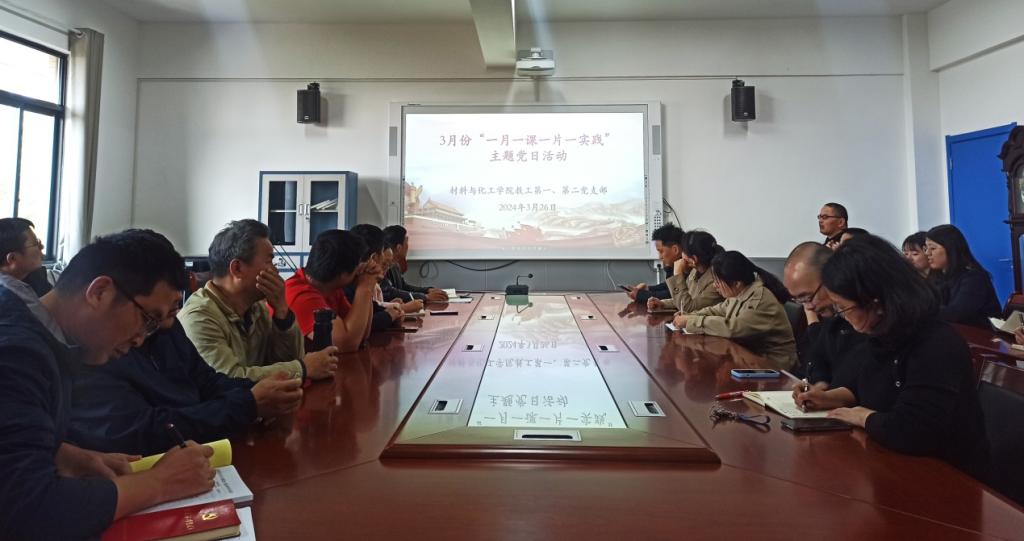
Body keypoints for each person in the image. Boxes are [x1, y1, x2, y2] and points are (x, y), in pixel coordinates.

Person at [0, 229, 217, 539]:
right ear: (99, 292)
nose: (141, 339)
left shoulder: (44, 337)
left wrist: (60, 453)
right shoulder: (17, 353)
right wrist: (161, 482)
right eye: (148, 319)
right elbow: (29, 512)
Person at [795, 234, 989, 481]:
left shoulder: (936, 344)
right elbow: (866, 383)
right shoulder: (883, 333)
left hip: (948, 481)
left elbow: (912, 431)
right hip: (896, 469)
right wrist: (828, 398)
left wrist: (862, 416)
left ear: (875, 302)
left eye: (844, 308)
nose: (842, 316)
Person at [70, 276, 304, 456]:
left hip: (198, 451)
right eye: (151, 317)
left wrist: (260, 393)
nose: (169, 318)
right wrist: (248, 404)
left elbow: (206, 380)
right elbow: (144, 431)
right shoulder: (99, 348)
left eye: (174, 306)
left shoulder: (166, 326)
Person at [179, 219, 339, 381]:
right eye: (269, 261)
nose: (275, 270)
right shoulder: (199, 318)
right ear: (237, 269)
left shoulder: (256, 308)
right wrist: (303, 369)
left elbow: (286, 361)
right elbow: (228, 381)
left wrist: (282, 313)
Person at [672, 251, 797, 370]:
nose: (715, 286)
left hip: (773, 366)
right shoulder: (739, 293)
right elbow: (716, 310)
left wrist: (691, 321)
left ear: (736, 283)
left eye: (718, 282)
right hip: (750, 357)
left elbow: (732, 328)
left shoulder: (760, 300)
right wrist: (689, 316)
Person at [783, 242, 868, 387]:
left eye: (808, 297)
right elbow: (817, 357)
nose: (808, 307)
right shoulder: (832, 317)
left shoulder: (863, 316)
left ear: (832, 278)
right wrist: (820, 384)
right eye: (799, 300)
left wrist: (830, 394)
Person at [285, 229, 376, 352]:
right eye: (358, 267)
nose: (360, 271)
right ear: (343, 274)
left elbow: (362, 333)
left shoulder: (332, 288)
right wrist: (365, 286)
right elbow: (345, 345)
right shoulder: (300, 295)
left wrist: (368, 286)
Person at [925, 224, 1000, 329]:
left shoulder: (974, 278)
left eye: (932, 248)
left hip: (980, 335)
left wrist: (921, 310)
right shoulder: (938, 276)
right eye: (926, 248)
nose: (927, 253)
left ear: (950, 249)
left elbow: (956, 314)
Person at [648, 231, 724, 313]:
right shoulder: (695, 271)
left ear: (694, 259)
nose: (682, 254)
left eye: (683, 251)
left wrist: (677, 275)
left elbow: (688, 308)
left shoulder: (716, 281)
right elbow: (684, 298)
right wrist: (663, 303)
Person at [350, 224, 404, 331]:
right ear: (374, 257)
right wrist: (389, 316)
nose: (385, 267)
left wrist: (392, 312)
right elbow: (359, 329)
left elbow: (372, 309)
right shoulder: (348, 285)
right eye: (382, 252)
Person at [382, 225, 448, 303]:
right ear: (399, 248)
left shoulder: (395, 265)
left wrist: (427, 290)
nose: (408, 246)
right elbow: (390, 293)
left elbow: (404, 287)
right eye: (406, 242)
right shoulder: (381, 267)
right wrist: (425, 297)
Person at [626, 223, 685, 304]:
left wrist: (640, 295)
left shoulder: (687, 266)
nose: (660, 257)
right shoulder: (674, 264)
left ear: (675, 250)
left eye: (661, 251)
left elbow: (671, 294)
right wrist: (648, 288)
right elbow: (668, 286)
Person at [0, 217, 49, 296]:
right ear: (12, 258)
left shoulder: (34, 276)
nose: (42, 246)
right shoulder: (6, 297)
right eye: (36, 243)